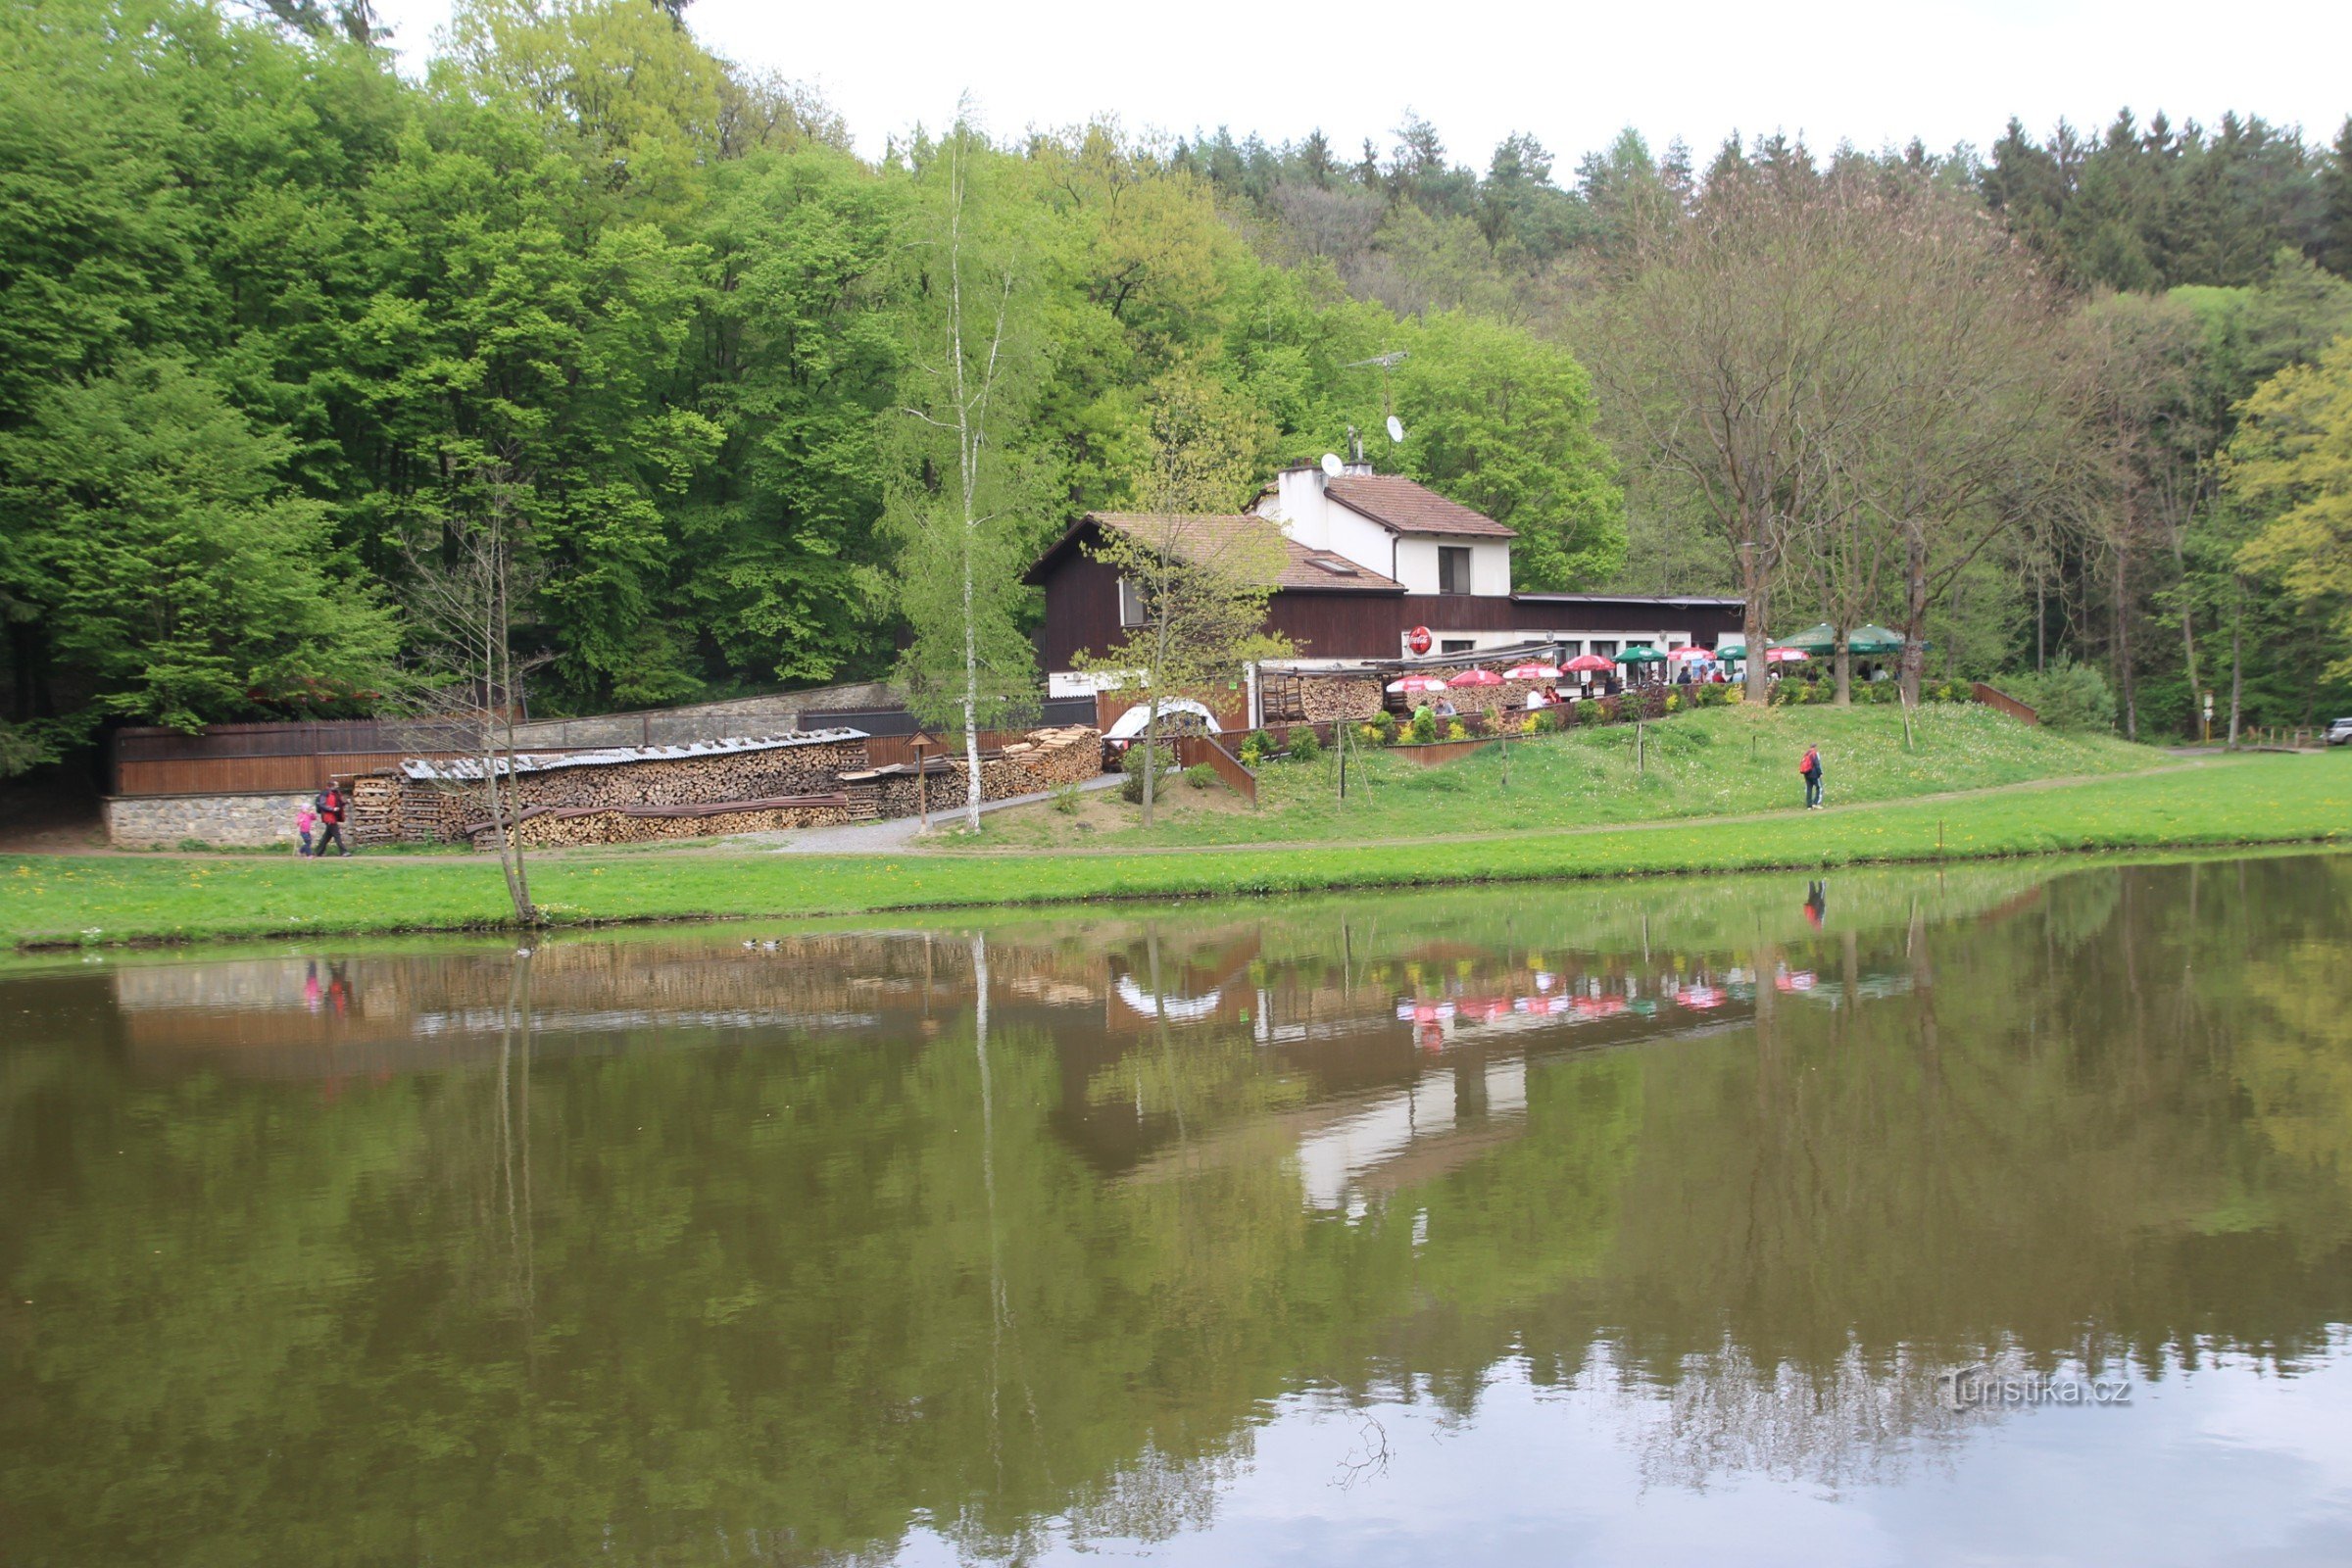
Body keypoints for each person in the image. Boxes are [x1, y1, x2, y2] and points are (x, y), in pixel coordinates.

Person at [314, 782, 351, 857]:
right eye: (336, 785)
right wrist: (332, 809)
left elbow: (339, 803)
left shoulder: (336, 793)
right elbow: (322, 804)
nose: (338, 786)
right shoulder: (325, 793)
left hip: (334, 816)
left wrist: (346, 802)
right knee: (337, 834)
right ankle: (343, 851)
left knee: (327, 836)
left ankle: (318, 852)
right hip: (328, 817)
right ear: (331, 786)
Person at [1799, 744, 1823, 809]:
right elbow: (1817, 764)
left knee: (1809, 789)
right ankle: (1816, 803)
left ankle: (1809, 805)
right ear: (1815, 747)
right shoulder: (1814, 753)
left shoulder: (1806, 753)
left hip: (1806, 773)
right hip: (1814, 774)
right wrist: (1820, 773)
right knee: (1819, 787)